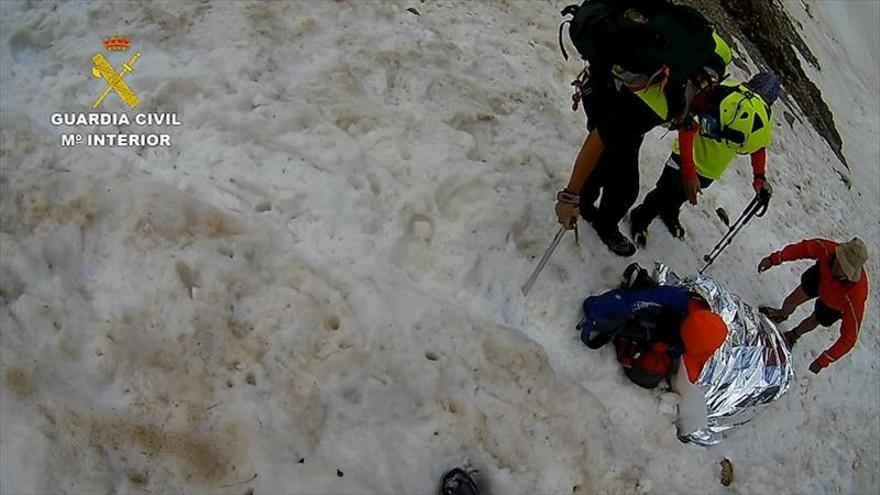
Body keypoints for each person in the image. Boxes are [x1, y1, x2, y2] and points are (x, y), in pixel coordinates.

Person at [555, 0, 732, 256]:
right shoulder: (660, 104)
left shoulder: (711, 55)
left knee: (613, 155)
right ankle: (595, 215)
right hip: (607, 90)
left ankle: (586, 201)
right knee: (625, 184)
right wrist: (567, 198)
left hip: (610, 81)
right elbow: (598, 139)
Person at [629, 72, 780, 245]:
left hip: (706, 168)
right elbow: (688, 126)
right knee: (663, 193)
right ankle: (641, 217)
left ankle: (669, 212)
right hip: (686, 159)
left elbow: (758, 147)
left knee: (679, 196)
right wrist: (689, 172)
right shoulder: (725, 94)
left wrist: (759, 177)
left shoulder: (747, 106)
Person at [580, 263, 728, 388]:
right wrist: (600, 310)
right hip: (664, 321)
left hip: (663, 342)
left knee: (648, 374)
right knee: (650, 309)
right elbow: (641, 300)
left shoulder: (693, 361)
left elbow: (676, 375)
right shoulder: (686, 305)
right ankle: (639, 293)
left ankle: (626, 340)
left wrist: (661, 350)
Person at [757, 237, 869, 374]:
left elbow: (849, 337)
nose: (838, 269)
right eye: (839, 262)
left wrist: (823, 360)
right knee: (794, 298)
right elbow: (803, 249)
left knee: (816, 318)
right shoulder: (827, 250)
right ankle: (782, 314)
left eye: (844, 270)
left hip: (836, 302)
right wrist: (775, 259)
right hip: (821, 276)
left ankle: (794, 335)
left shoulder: (856, 296)